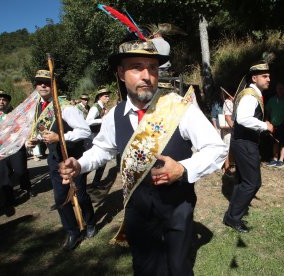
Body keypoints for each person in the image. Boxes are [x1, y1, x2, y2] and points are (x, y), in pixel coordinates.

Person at [58, 40, 227, 275]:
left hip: (176, 208)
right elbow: (102, 150)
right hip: (138, 212)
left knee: (178, 268)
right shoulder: (113, 116)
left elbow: (216, 148)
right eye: (137, 67)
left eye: (153, 67)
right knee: (145, 268)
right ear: (120, 73)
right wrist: (80, 164)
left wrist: (183, 169)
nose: (147, 75)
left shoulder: (179, 107)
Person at [27, 70, 96, 251]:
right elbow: (44, 133)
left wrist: (61, 137)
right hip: (55, 159)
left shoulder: (66, 107)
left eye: (47, 82)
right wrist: (36, 139)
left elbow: (85, 131)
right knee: (60, 198)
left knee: (80, 195)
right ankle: (72, 232)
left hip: (74, 158)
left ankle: (90, 222)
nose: (43, 86)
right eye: (39, 82)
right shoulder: (38, 109)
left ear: (54, 85)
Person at [223, 60, 274, 233]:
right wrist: (264, 125)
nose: (269, 79)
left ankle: (232, 214)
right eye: (264, 76)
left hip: (242, 141)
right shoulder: (251, 95)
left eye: (269, 76)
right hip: (245, 143)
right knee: (252, 183)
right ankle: (234, 218)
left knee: (243, 181)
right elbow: (243, 118)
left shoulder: (251, 93)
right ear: (254, 77)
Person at [0, 90, 34, 211]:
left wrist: (27, 142)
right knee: (1, 174)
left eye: (4, 99)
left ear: (8, 101)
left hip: (15, 147)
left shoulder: (15, 113)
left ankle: (26, 187)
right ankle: (9, 199)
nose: (1, 102)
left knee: (20, 171)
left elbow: (24, 129)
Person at [85, 88, 110, 188]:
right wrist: (102, 120)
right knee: (93, 161)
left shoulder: (102, 107)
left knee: (102, 161)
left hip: (99, 137)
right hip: (92, 138)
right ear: (100, 97)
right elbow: (88, 121)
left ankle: (96, 182)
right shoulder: (95, 108)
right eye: (106, 96)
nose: (108, 98)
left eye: (108, 96)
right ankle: (79, 177)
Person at [221, 89, 234, 175]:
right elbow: (227, 117)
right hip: (228, 129)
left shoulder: (231, 102)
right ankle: (226, 168)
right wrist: (234, 128)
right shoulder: (228, 102)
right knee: (227, 147)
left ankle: (227, 166)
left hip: (230, 129)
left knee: (229, 147)